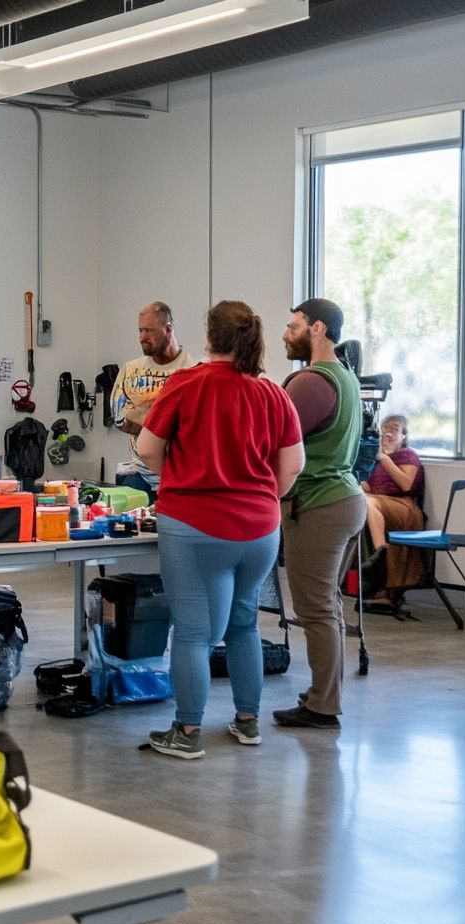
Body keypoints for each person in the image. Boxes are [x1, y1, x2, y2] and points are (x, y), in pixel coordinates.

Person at [136, 301, 304, 759]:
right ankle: (248, 722)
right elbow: (292, 468)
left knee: (192, 632)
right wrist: (262, 494)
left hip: (194, 526)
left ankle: (187, 732)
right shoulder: (273, 393)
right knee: (244, 625)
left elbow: (148, 449)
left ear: (207, 337)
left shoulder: (185, 384)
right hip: (260, 532)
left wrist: (176, 474)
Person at [274, 298, 365, 730]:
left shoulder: (311, 382)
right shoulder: (344, 376)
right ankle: (322, 696)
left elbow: (271, 439)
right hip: (344, 499)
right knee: (327, 605)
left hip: (320, 505)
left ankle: (323, 706)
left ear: (319, 329)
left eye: (294, 326)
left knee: (314, 610)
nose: (286, 333)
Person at [110, 302, 196, 502]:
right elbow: (120, 418)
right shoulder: (131, 370)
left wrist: (141, 413)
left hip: (182, 475)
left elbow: (191, 427)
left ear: (168, 329)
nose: (142, 337)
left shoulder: (192, 370)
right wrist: (163, 418)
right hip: (138, 473)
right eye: (140, 330)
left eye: (148, 331)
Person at [360, 414, 426, 601]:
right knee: (362, 498)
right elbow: (374, 489)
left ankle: (380, 551)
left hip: (404, 506)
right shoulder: (378, 460)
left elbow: (406, 484)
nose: (388, 433)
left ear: (404, 435)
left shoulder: (408, 455)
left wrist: (386, 460)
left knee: (368, 501)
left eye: (394, 429)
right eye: (385, 429)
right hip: (379, 503)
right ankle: (371, 563)